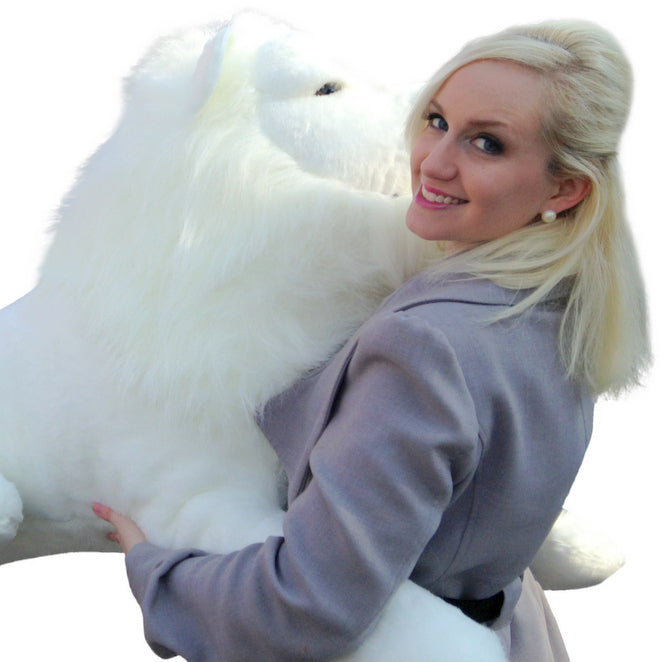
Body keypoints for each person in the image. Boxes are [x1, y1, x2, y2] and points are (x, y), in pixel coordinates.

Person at [94, 19, 650, 661]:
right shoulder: (562, 305)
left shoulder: (427, 344)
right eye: (437, 120)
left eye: (488, 144)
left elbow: (305, 606)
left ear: (565, 187)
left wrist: (157, 571)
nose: (434, 163)